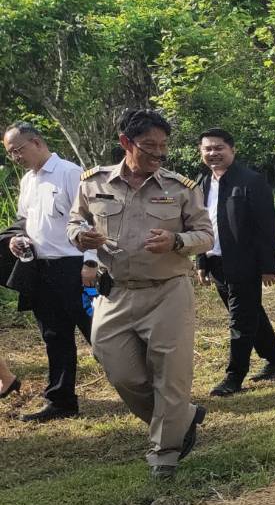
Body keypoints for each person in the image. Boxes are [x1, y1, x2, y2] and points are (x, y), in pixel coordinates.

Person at [68, 108, 213, 478]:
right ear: (125, 143)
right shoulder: (93, 183)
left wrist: (177, 240)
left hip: (167, 292)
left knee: (170, 372)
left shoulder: (180, 189)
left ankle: (164, 453)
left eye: (163, 148)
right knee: (120, 372)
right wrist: (80, 237)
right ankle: (182, 418)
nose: (158, 155)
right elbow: (74, 221)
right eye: (150, 147)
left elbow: (206, 236)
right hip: (114, 292)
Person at [4, 121, 95, 422]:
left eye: (18, 150)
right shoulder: (28, 180)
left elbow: (92, 220)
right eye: (10, 154)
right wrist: (19, 239)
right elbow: (24, 219)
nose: (16, 158)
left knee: (101, 333)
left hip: (74, 267)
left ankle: (145, 388)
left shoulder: (70, 173)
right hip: (41, 268)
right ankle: (61, 400)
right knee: (54, 336)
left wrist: (91, 262)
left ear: (38, 143)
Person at [194, 128, 275, 397]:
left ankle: (234, 376)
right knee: (251, 315)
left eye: (219, 148)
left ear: (232, 150)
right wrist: (201, 260)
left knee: (240, 320)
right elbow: (199, 224)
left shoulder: (250, 181)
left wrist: (269, 265)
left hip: (244, 263)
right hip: (216, 262)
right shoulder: (202, 183)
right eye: (207, 149)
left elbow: (266, 226)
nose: (213, 153)